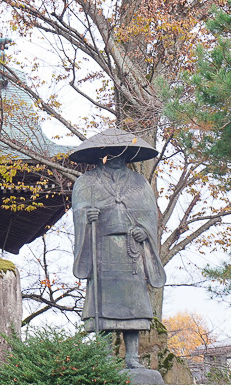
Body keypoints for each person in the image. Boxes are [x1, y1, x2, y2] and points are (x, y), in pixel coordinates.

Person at [70, 129, 166, 369]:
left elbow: (148, 216)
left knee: (133, 306)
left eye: (122, 152)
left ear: (129, 155)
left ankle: (132, 357)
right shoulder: (88, 182)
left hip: (131, 251)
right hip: (101, 249)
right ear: (103, 154)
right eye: (111, 152)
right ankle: (103, 358)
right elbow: (79, 210)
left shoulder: (138, 183)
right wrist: (86, 217)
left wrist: (144, 232)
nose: (116, 157)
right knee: (102, 306)